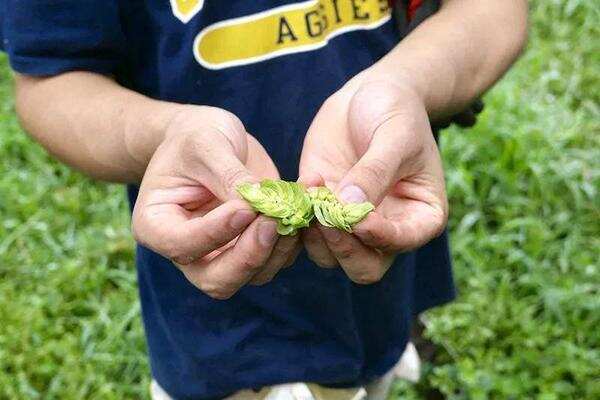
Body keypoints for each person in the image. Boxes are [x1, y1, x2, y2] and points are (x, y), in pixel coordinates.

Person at [0, 0, 527, 398]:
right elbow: (52, 79)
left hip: (378, 271)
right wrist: (163, 133)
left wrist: (407, 84)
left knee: (372, 374)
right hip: (214, 310)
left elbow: (490, 11)